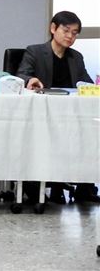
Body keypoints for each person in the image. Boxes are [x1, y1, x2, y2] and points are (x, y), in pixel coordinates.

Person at [16, 11, 98, 204]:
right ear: (53, 28)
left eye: (75, 33)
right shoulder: (35, 52)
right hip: (42, 116)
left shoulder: (76, 57)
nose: (70, 36)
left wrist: (93, 88)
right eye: (66, 31)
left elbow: (85, 83)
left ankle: (85, 188)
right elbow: (21, 75)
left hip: (71, 116)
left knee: (93, 133)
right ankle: (35, 187)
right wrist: (30, 80)